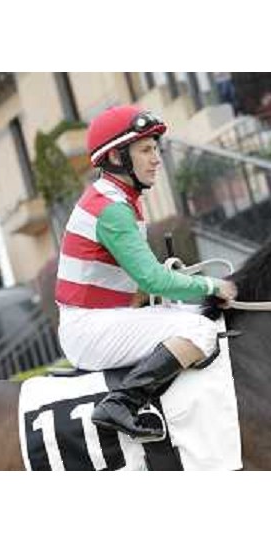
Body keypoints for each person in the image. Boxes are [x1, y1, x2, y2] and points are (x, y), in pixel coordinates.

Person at [55, 105, 238, 440]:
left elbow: (142, 284)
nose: (156, 159)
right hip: (91, 329)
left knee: (196, 314)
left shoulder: (118, 198)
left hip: (102, 319)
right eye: (145, 150)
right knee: (199, 331)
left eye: (156, 149)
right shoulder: (111, 208)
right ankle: (122, 403)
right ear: (115, 157)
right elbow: (152, 279)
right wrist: (213, 285)